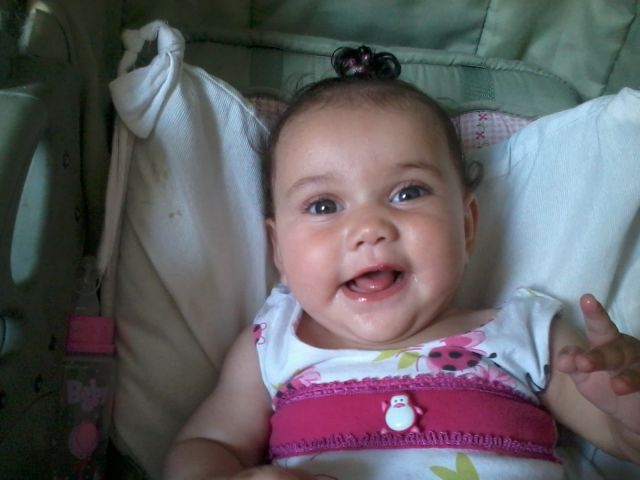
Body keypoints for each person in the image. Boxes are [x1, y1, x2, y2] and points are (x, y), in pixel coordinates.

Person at [163, 46, 640, 480]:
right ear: (278, 251)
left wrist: (628, 406)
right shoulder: (272, 344)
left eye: (407, 193)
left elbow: (625, 442)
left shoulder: (531, 334)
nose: (369, 227)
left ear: (467, 226)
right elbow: (208, 444)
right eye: (324, 205)